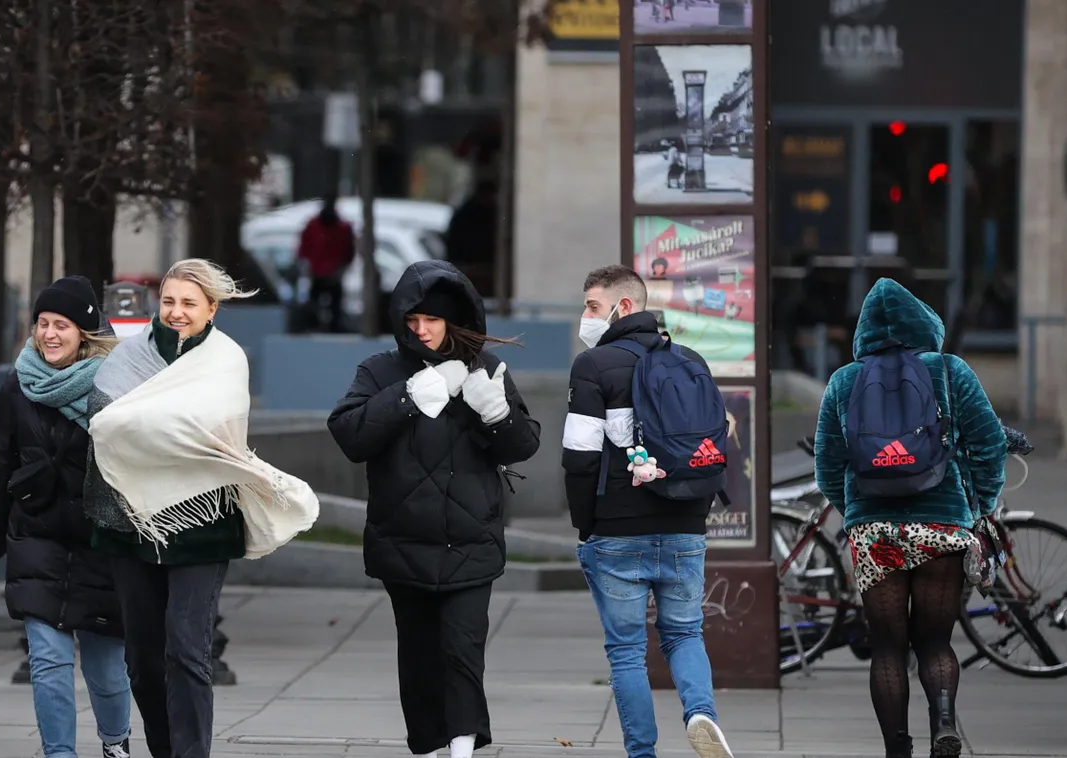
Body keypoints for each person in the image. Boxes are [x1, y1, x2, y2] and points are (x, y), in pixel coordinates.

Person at [83, 258, 317, 758]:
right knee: (143, 661)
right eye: (169, 301)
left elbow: (209, 435)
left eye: (189, 303)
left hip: (202, 521)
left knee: (187, 650)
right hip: (130, 522)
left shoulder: (226, 361)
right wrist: (157, 432)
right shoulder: (126, 361)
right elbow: (104, 424)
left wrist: (149, 430)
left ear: (212, 309)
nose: (176, 312)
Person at [328, 260, 541, 758]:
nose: (421, 330)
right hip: (405, 541)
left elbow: (523, 445)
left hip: (471, 540)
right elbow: (349, 434)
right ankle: (427, 744)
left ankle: (462, 748)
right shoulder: (380, 370)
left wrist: (496, 413)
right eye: (412, 321)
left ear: (454, 320)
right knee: (420, 654)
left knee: (463, 650)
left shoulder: (485, 369)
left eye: (432, 320)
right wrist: (407, 396)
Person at [814, 278, 1006, 758]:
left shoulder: (843, 381)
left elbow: (826, 465)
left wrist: (855, 514)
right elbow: (989, 444)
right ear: (924, 322)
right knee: (936, 642)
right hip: (942, 526)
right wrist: (978, 506)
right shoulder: (950, 372)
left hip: (875, 534)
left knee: (887, 648)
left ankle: (897, 750)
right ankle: (944, 722)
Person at [563, 265, 734, 758]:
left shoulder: (593, 367)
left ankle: (642, 753)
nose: (585, 317)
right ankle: (701, 712)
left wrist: (586, 526)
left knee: (626, 651)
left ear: (624, 307)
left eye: (592, 306)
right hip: (684, 526)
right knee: (683, 634)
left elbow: (579, 457)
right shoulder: (690, 360)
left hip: (617, 528)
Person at [0, 276, 132, 758]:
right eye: (42, 323)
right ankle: (59, 754)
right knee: (47, 660)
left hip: (100, 542)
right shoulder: (17, 384)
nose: (48, 334)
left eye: (60, 325)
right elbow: (0, 463)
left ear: (84, 333)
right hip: (36, 536)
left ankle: (115, 743)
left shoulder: (115, 384)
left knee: (106, 670)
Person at [296, 194, 356, 333]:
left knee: (334, 305)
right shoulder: (315, 226)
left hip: (331, 273)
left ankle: (330, 326)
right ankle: (314, 325)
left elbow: (348, 252)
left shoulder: (341, 228)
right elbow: (304, 249)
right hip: (319, 273)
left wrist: (340, 269)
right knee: (315, 304)